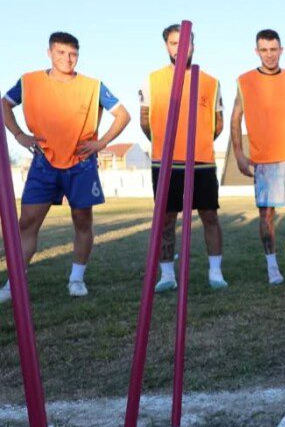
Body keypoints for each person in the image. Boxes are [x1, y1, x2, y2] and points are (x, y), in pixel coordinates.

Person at [0, 32, 130, 303]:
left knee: (82, 221)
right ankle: (13, 284)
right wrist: (19, 135)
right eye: (61, 52)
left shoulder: (92, 86)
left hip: (81, 164)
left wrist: (102, 142)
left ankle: (76, 279)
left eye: (73, 54)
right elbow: (5, 104)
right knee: (27, 222)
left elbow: (122, 115)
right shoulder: (29, 81)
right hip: (44, 162)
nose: (67, 59)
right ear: (49, 53)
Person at [141, 24, 227, 291]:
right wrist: (166, 144)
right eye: (174, 43)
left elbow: (218, 123)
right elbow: (145, 121)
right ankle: (167, 275)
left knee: (209, 215)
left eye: (186, 42)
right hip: (166, 162)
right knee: (166, 218)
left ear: (193, 46)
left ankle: (215, 272)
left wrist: (199, 142)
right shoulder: (152, 79)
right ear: (166, 46)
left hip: (202, 162)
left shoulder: (211, 82)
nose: (180, 48)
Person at [231, 29, 285, 284]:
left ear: (281, 50)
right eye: (264, 50)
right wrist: (239, 154)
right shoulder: (245, 81)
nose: (269, 55)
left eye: (273, 49)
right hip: (264, 159)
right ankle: (272, 268)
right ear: (257, 51)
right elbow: (236, 118)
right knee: (267, 214)